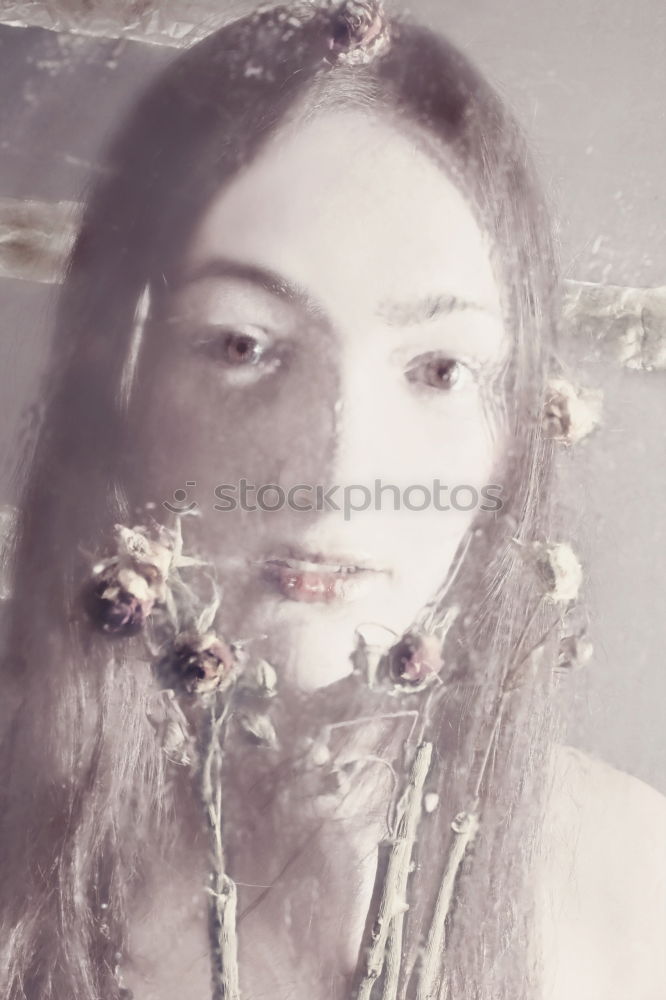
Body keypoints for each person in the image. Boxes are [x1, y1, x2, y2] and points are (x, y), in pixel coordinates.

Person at [0, 2, 664, 999]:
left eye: (438, 367)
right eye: (243, 344)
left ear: (518, 424)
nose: (339, 468)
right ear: (123, 387)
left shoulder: (635, 894)